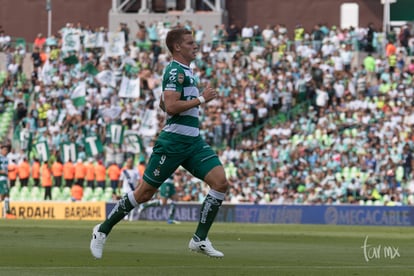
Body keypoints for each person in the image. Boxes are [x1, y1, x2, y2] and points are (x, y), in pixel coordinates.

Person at [90, 28, 229, 259]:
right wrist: (202, 99)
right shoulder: (175, 71)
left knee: (220, 183)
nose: (195, 46)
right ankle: (102, 230)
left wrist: (172, 102)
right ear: (177, 47)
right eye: (190, 43)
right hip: (173, 143)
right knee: (144, 194)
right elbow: (172, 107)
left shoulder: (187, 71)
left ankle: (199, 239)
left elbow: (165, 105)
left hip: (193, 141)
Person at [0, 145, 14, 218]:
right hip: (1, 178)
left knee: (7, 195)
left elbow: (6, 169)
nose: (6, 151)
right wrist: (4, 172)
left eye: (7, 150)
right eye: (4, 150)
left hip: (5, 178)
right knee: (3, 195)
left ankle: (7, 212)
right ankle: (7, 212)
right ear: (1, 150)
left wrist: (9, 171)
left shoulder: (6, 158)